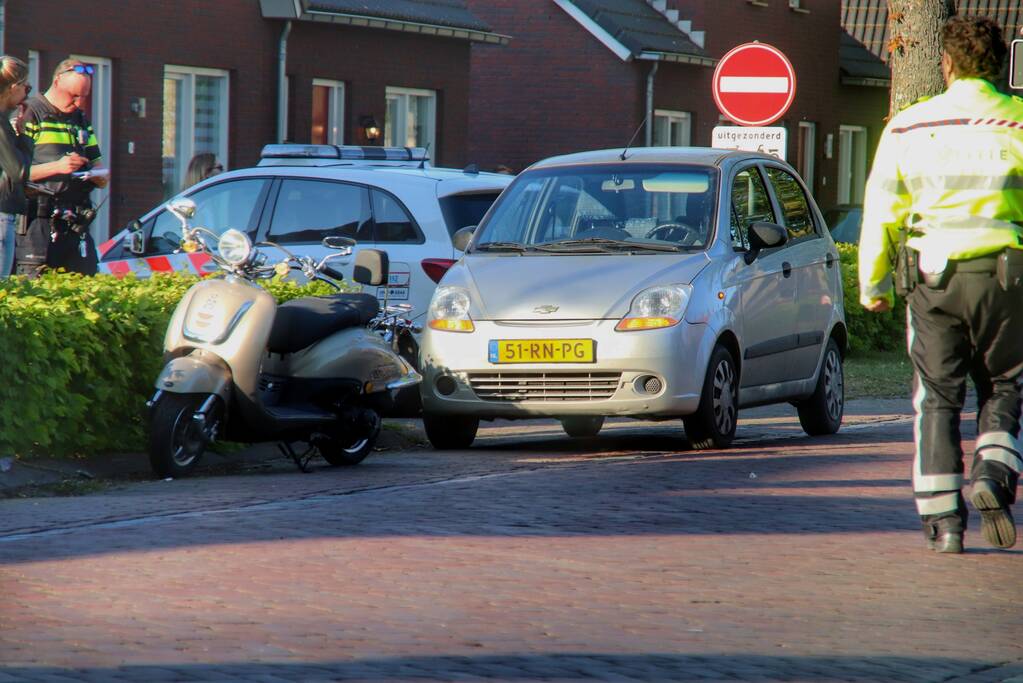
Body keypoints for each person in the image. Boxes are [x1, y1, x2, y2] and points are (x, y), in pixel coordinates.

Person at [859, 15, 1023, 554]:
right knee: (1006, 384)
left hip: (933, 276)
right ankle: (993, 475)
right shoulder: (1019, 121)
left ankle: (944, 523)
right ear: (998, 65)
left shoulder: (908, 126)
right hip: (1008, 277)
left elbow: (881, 209)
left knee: (936, 399)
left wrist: (873, 284)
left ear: (947, 63)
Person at [14, 58, 108, 276]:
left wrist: (98, 176)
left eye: (84, 97)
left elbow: (99, 166)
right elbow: (13, 174)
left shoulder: (80, 119)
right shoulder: (31, 114)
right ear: (56, 82)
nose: (79, 103)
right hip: (38, 220)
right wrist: (57, 167)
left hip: (75, 222)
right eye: (73, 96)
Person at [0, 56, 32, 277]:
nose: (27, 91)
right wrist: (26, 137)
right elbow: (19, 171)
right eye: (25, 85)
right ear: (13, 88)